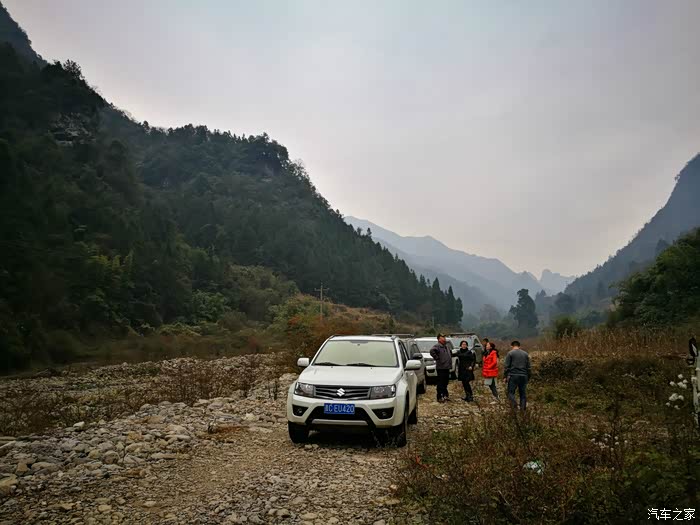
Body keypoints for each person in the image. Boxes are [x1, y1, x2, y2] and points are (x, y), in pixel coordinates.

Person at [504, 340, 531, 411]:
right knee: (523, 394)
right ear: (519, 346)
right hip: (524, 376)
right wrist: (528, 377)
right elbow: (528, 367)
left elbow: (506, 367)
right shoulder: (525, 354)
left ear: (512, 346)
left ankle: (514, 406)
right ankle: (523, 410)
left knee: (511, 393)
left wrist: (505, 376)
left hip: (513, 375)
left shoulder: (510, 353)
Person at [430, 333, 452, 403]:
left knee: (445, 382)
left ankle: (445, 395)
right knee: (440, 383)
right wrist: (437, 358)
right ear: (439, 339)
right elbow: (431, 351)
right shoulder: (437, 346)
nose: (444, 338)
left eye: (444, 337)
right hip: (441, 367)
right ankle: (439, 396)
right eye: (443, 337)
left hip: (447, 367)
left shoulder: (446, 346)